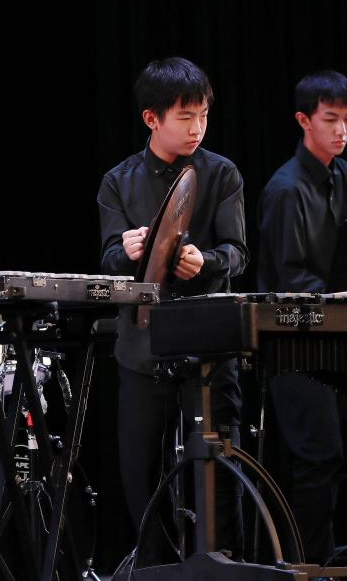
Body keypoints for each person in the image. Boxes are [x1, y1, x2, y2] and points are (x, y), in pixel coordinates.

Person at [98, 56, 248, 563]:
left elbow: (237, 253)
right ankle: (157, 568)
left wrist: (206, 261)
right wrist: (128, 250)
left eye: (203, 115)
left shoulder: (222, 173)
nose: (197, 127)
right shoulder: (118, 181)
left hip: (210, 343)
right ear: (151, 119)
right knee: (142, 472)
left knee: (219, 463)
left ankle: (223, 563)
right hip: (142, 345)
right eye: (185, 117)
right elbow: (109, 259)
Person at [257, 70, 347, 563]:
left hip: (330, 339)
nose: (341, 130)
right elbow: (291, 281)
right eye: (331, 119)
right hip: (293, 345)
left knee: (338, 460)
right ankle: (304, 566)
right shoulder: (286, 190)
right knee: (318, 458)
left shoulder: (343, 176)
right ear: (303, 120)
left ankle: (321, 563)